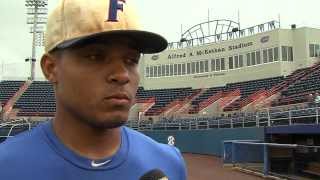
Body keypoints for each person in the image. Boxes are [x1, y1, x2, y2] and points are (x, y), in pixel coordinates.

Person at [0, 0, 187, 179]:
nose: (122, 75)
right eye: (95, 56)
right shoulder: (6, 166)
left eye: (132, 60)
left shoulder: (168, 164)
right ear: (51, 68)